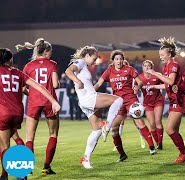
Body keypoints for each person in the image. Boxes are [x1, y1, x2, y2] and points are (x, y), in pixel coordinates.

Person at [0, 48, 60, 180]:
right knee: (15, 137)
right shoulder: (18, 73)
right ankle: (21, 171)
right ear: (10, 60)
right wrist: (53, 101)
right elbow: (38, 86)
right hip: (18, 113)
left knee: (4, 145)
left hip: (3, 112)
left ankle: (5, 174)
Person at [65, 46, 123, 169]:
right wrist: (77, 81)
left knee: (96, 130)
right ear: (86, 55)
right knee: (118, 100)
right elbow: (68, 71)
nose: (95, 61)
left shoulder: (84, 66)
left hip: (85, 100)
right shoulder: (80, 62)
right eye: (94, 58)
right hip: (88, 98)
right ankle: (107, 126)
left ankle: (85, 159)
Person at [94, 50, 156, 163]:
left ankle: (152, 148)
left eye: (121, 59)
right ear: (113, 61)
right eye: (117, 59)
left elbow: (139, 82)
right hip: (118, 102)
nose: (119, 61)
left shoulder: (129, 69)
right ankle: (122, 155)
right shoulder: (108, 71)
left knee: (139, 122)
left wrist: (137, 87)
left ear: (123, 60)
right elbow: (98, 84)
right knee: (114, 128)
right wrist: (90, 92)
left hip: (130, 100)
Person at [16, 38, 61, 174]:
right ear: (46, 51)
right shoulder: (52, 64)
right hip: (50, 101)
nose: (51, 54)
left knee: (30, 137)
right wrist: (57, 81)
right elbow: (55, 85)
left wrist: (33, 94)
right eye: (50, 51)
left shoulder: (28, 66)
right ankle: (47, 166)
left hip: (34, 102)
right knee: (53, 134)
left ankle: (28, 167)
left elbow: (23, 88)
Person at [146, 37, 185, 163]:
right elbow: (168, 84)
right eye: (159, 55)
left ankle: (184, 153)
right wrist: (155, 86)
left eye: (162, 54)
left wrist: (155, 74)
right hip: (173, 100)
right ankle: (184, 153)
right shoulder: (165, 67)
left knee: (170, 129)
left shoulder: (174, 65)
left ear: (169, 54)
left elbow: (170, 81)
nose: (160, 57)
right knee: (173, 130)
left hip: (179, 100)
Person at [139, 60, 164, 150]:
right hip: (147, 103)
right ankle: (157, 142)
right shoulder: (140, 78)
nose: (147, 67)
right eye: (145, 66)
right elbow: (134, 89)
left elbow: (166, 83)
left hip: (158, 101)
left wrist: (168, 93)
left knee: (158, 121)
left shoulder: (156, 76)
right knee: (152, 124)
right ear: (142, 68)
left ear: (151, 67)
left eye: (149, 66)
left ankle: (160, 144)